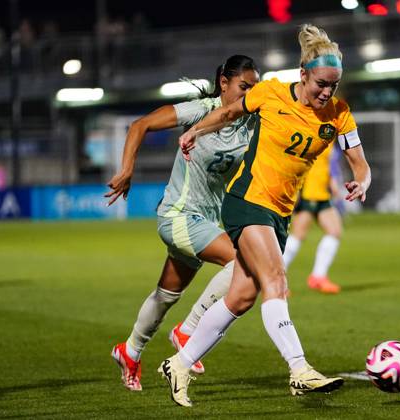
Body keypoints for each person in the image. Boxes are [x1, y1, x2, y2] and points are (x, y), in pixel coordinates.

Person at [158, 24, 371, 407]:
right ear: (303, 75)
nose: (327, 92)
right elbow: (228, 112)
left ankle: (180, 362)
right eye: (321, 83)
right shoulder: (270, 93)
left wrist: (362, 181)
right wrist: (196, 132)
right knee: (277, 279)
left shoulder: (339, 114)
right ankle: (300, 370)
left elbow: (360, 162)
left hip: (279, 214)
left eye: (334, 85)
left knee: (240, 298)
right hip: (246, 200)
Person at [105, 55, 260, 391]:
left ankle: (129, 351)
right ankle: (189, 330)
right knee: (244, 259)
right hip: (177, 214)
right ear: (224, 84)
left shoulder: (250, 123)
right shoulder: (201, 110)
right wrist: (127, 168)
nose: (249, 94)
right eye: (243, 87)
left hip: (205, 220)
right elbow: (139, 125)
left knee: (166, 295)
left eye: (253, 89)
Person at [282, 143, 344, 294]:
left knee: (334, 231)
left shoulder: (332, 141)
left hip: (322, 194)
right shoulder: (314, 132)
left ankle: (318, 277)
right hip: (308, 193)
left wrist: (333, 184)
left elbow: (328, 165)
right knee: (297, 236)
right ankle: (274, 279)